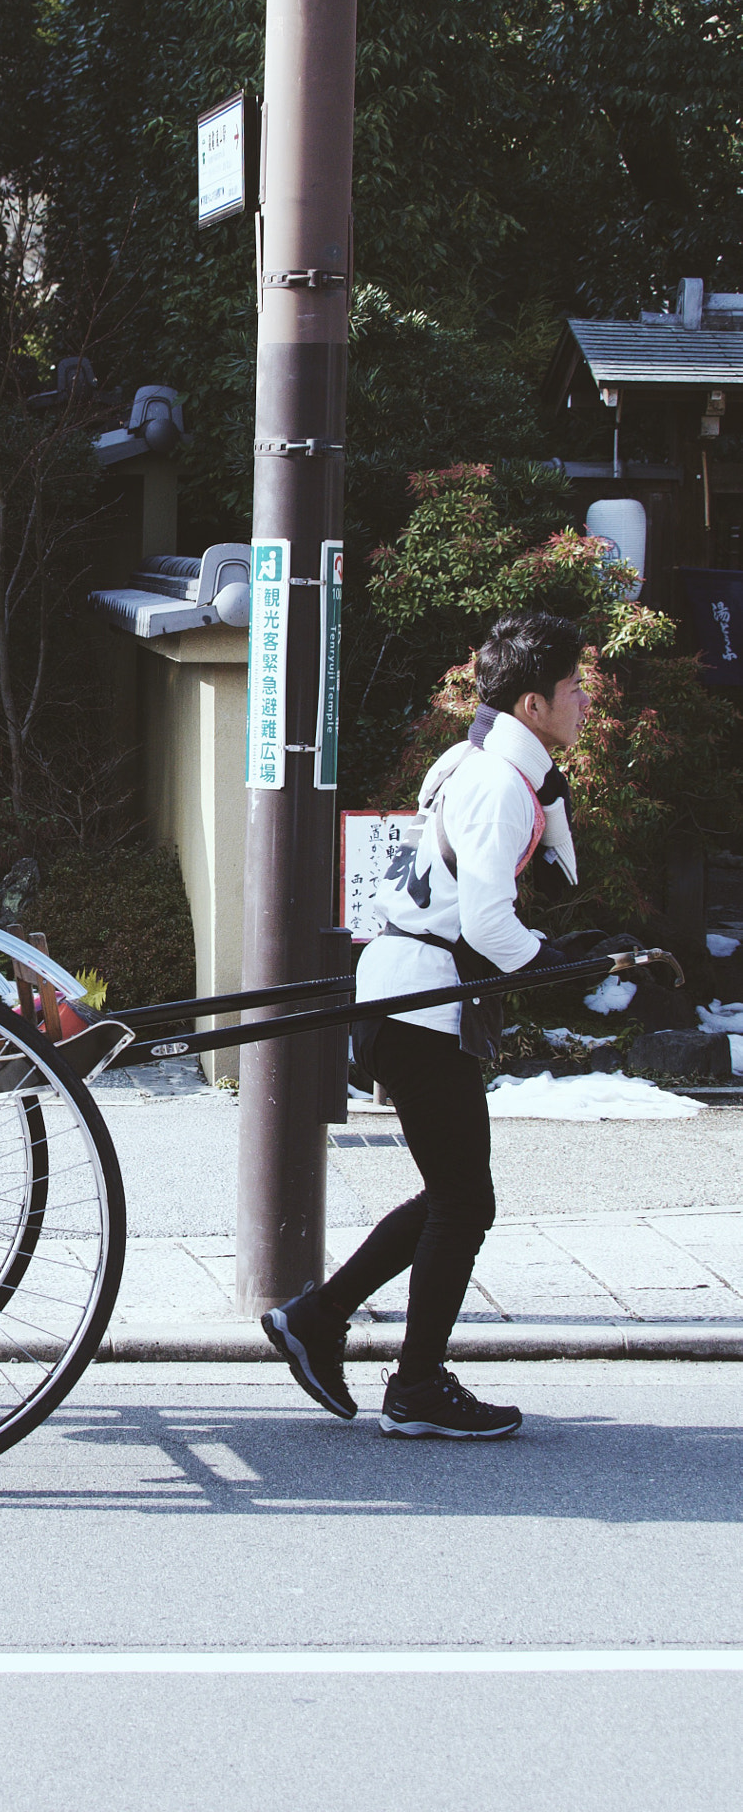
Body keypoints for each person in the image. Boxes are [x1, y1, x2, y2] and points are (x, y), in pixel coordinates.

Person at [262, 610, 595, 1438]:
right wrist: (551, 965)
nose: (585, 699)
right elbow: (486, 921)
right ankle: (411, 1386)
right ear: (530, 704)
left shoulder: (482, 763)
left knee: (456, 1194)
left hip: (410, 992)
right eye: (572, 687)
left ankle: (321, 1320)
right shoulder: (494, 785)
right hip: (418, 1000)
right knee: (464, 1200)